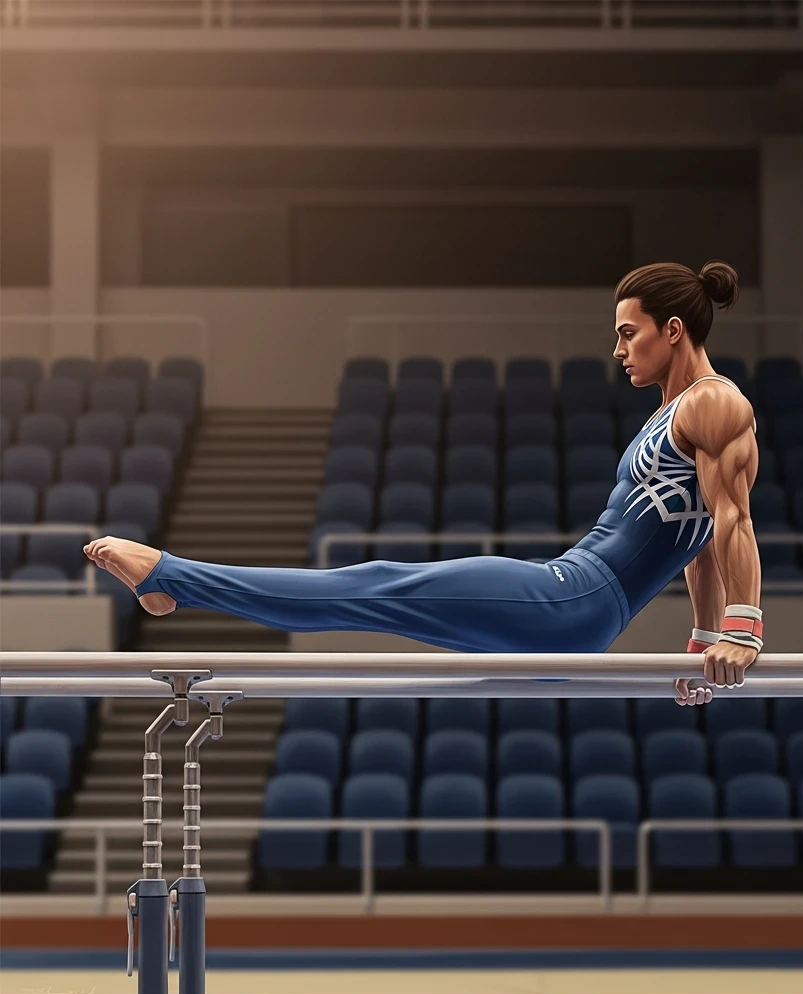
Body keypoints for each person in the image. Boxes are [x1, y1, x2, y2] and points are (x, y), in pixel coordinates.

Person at [85, 260, 763, 705]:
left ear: (672, 330)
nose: (617, 350)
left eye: (627, 333)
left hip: (573, 598)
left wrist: (744, 630)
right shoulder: (671, 415)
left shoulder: (715, 404)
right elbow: (698, 540)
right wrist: (703, 644)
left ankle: (168, 575)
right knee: (381, 605)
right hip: (575, 598)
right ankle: (171, 582)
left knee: (373, 585)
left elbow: (732, 521)